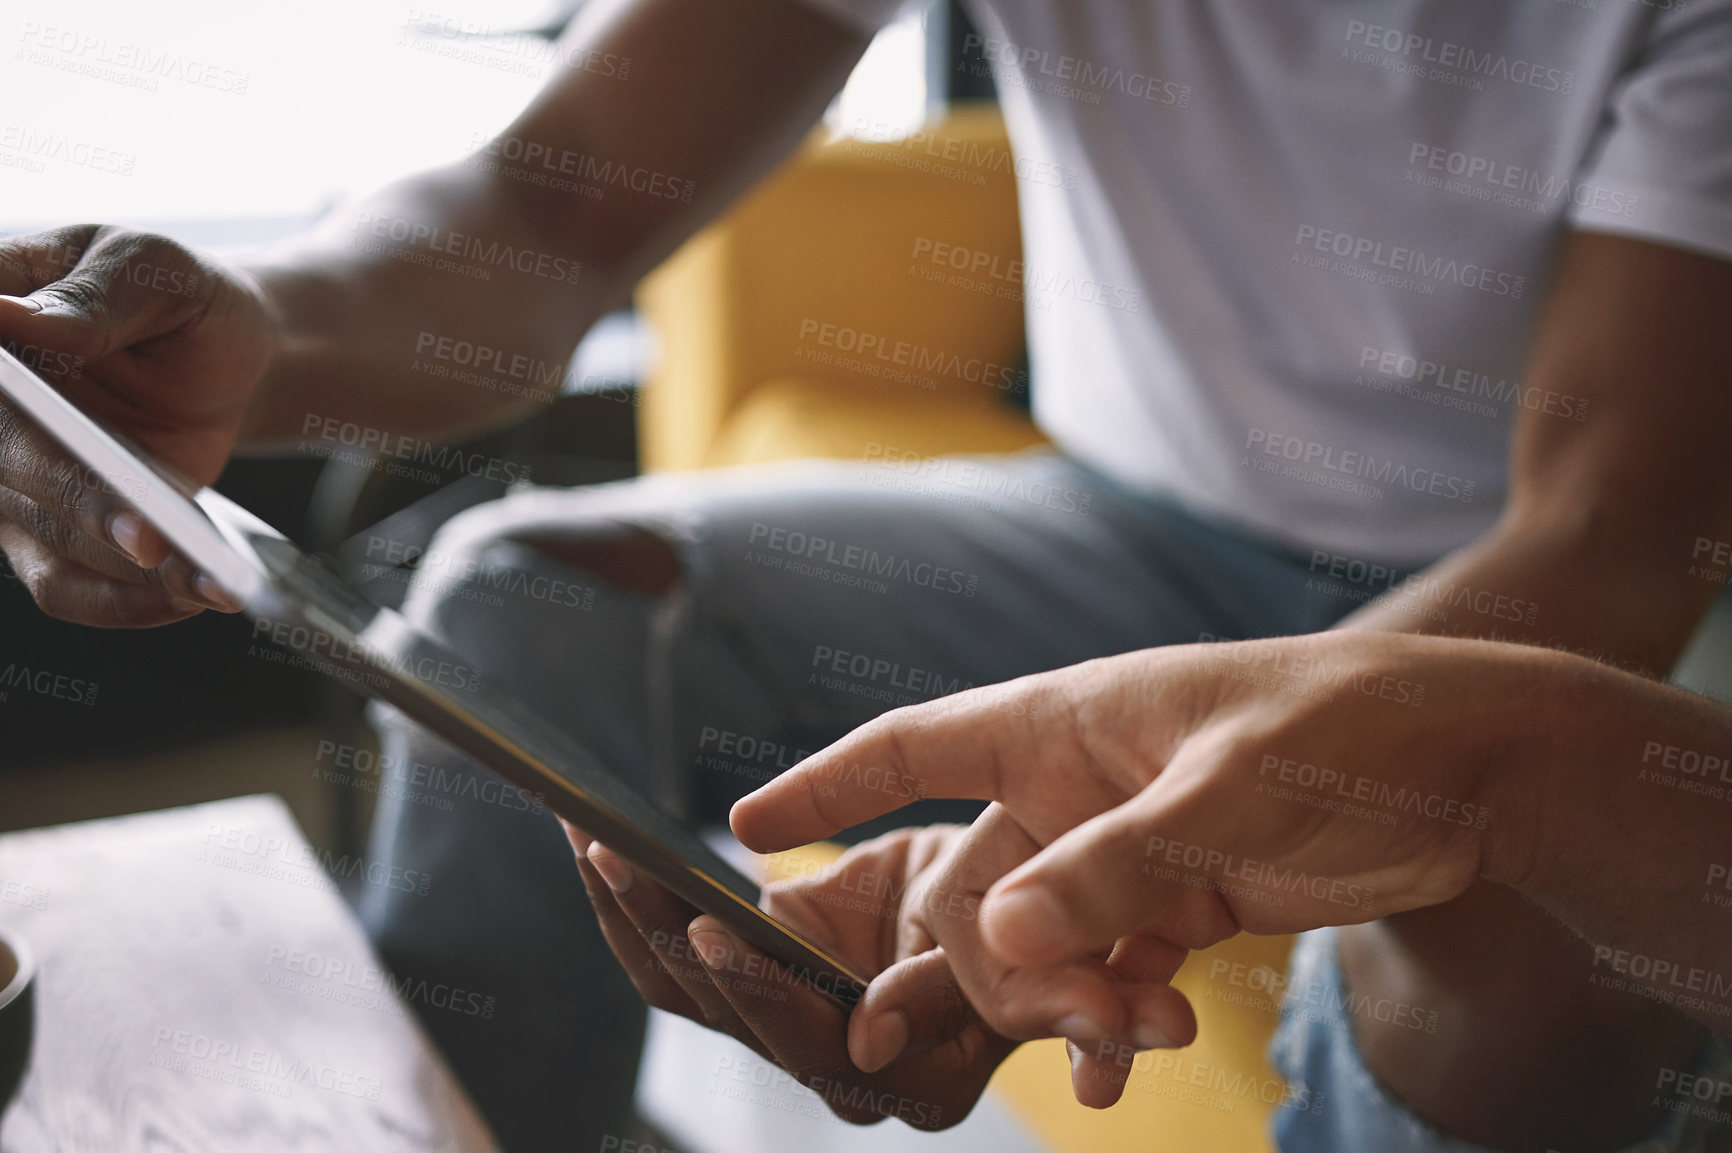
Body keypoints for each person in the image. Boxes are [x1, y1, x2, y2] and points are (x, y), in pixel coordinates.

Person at [2, 0, 1730, 1148]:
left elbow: (1609, 540)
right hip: (1135, 536)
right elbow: (546, 218)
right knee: (529, 595)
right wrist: (263, 332)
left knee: (1479, 945)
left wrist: (1107, 831)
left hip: (1536, 612)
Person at [578, 630, 1732, 1150]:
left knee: (1482, 972)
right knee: (516, 587)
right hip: (1129, 502)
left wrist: (1480, 757)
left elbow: (1605, 514)